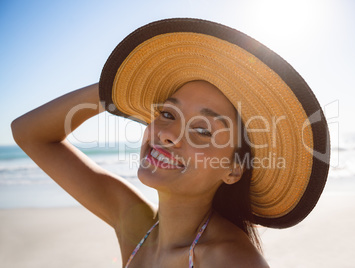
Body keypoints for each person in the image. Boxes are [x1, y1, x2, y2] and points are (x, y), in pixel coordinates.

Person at [11, 18, 330, 267]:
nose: (167, 133)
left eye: (203, 130)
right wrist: (115, 89)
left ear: (234, 169)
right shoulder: (135, 224)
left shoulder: (230, 261)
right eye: (167, 112)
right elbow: (29, 133)